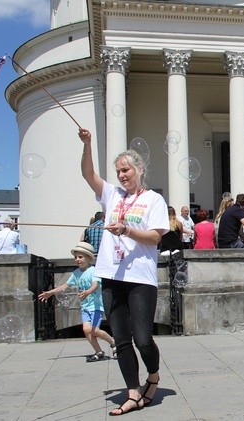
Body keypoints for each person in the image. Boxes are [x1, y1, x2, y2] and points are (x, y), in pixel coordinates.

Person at [78, 128, 168, 416]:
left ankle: (153, 375)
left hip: (140, 278)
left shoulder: (153, 199)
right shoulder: (112, 195)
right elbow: (88, 175)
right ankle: (132, 392)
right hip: (110, 275)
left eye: (126, 170)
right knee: (121, 338)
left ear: (139, 169)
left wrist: (127, 229)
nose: (122, 175)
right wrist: (88, 144)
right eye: (118, 171)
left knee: (143, 338)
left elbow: (155, 237)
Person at [38, 242, 116, 362]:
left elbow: (95, 285)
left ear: (89, 258)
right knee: (86, 330)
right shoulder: (76, 273)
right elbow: (65, 286)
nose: (77, 260)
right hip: (85, 307)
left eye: (80, 257)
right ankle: (99, 352)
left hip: (96, 307)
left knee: (95, 330)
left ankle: (113, 342)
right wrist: (51, 292)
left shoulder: (94, 271)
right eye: (75, 257)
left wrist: (87, 292)